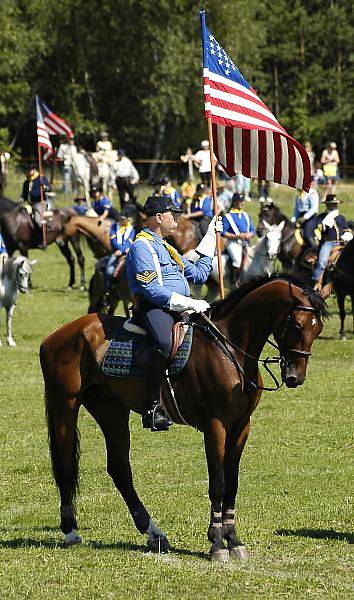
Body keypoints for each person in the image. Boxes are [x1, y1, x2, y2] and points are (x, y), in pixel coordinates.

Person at [126, 195, 221, 431]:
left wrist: (210, 236)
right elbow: (151, 289)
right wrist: (188, 302)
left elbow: (199, 274)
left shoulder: (167, 248)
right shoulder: (142, 247)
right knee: (165, 343)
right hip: (154, 308)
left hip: (177, 307)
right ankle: (152, 406)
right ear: (159, 217)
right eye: (173, 214)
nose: (177, 218)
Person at [312, 194, 352, 285]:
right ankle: (315, 281)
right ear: (327, 205)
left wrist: (347, 234)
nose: (334, 206)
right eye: (332, 204)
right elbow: (317, 230)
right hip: (328, 243)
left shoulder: (341, 217)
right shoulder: (321, 217)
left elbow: (346, 228)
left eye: (335, 204)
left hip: (342, 243)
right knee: (322, 261)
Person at [222, 192, 255, 286]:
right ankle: (234, 282)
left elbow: (253, 230)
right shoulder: (228, 216)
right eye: (240, 201)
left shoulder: (246, 215)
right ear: (235, 202)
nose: (242, 203)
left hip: (246, 243)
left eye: (242, 201)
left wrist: (249, 234)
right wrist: (237, 236)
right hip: (233, 242)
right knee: (237, 259)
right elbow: (223, 232)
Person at [104, 216, 136, 288]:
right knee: (109, 270)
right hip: (116, 252)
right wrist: (120, 250)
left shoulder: (131, 230)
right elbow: (113, 241)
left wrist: (121, 251)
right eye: (122, 219)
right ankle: (108, 287)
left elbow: (129, 242)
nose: (123, 221)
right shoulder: (114, 227)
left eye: (125, 220)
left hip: (127, 252)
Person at [291, 185, 319, 249]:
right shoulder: (298, 196)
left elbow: (314, 208)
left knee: (307, 234)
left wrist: (305, 217)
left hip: (310, 218)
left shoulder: (312, 193)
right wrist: (293, 220)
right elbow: (296, 210)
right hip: (300, 217)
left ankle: (316, 250)